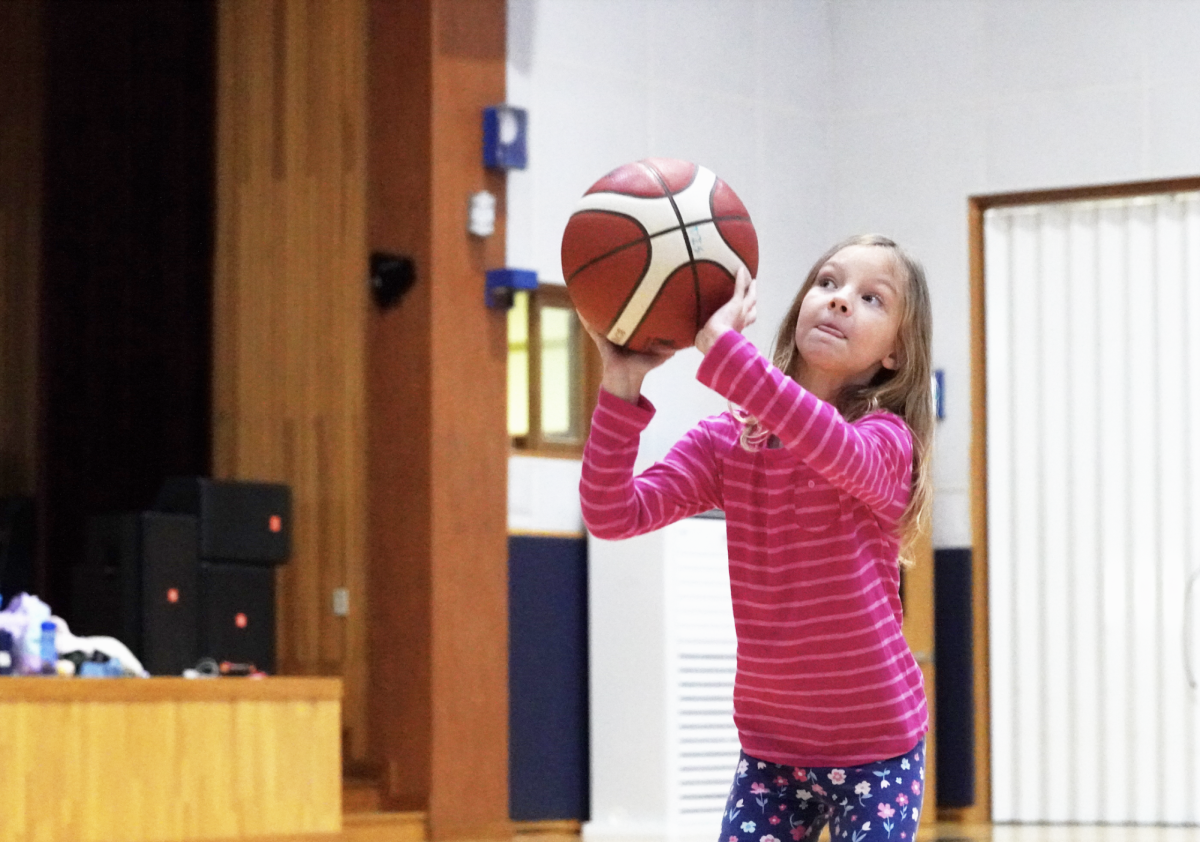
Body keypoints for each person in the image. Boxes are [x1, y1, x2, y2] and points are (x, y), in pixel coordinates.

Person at [579, 234, 934, 842]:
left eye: (871, 298)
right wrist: (620, 383)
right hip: (772, 751)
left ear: (896, 353)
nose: (840, 300)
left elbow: (826, 443)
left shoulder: (885, 442)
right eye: (827, 283)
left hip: (878, 747)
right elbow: (612, 513)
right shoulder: (726, 442)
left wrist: (726, 353)